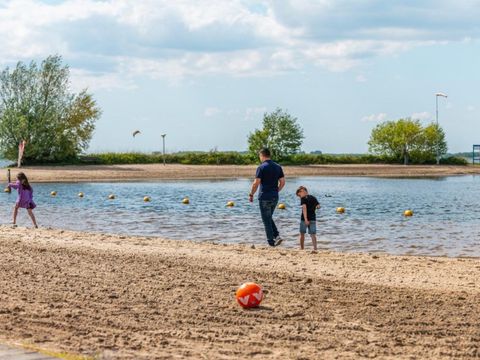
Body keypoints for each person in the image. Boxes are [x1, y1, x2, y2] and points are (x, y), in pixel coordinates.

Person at [249, 148, 285, 247]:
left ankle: (271, 242)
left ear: (262, 155)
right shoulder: (278, 167)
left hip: (264, 196)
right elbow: (282, 182)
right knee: (268, 218)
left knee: (266, 220)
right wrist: (277, 190)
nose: (259, 158)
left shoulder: (261, 167)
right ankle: (277, 236)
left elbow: (256, 183)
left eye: (259, 156)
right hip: (274, 197)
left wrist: (251, 194)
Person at [296, 186, 320, 251]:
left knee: (302, 233)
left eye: (299, 195)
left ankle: (302, 248)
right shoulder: (313, 197)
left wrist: (306, 219)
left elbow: (304, 208)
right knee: (313, 235)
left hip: (304, 219)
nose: (300, 197)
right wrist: (316, 207)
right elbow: (318, 206)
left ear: (302, 191)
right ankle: (315, 249)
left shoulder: (303, 198)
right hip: (313, 218)